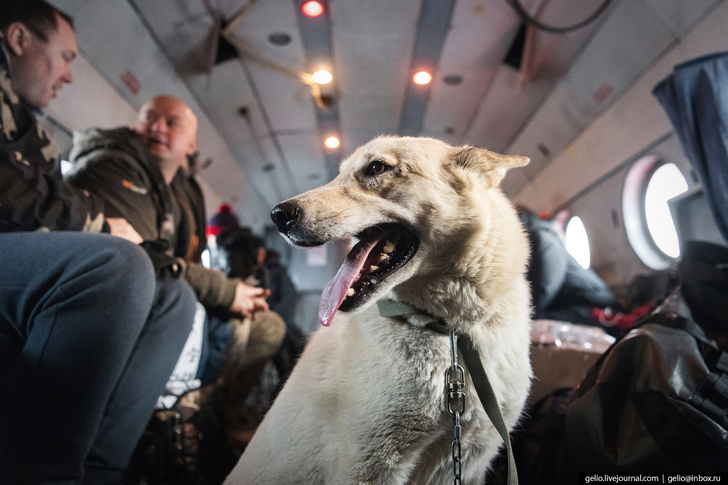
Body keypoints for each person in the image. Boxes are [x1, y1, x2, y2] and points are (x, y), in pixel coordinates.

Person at [0, 2, 198, 483]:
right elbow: (11, 195)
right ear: (19, 40)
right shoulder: (114, 162)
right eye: (65, 56)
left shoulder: (27, 125)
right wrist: (101, 224)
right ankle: (44, 475)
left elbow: (50, 192)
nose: (69, 75)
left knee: (175, 297)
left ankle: (100, 470)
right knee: (118, 266)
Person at [516, 206, 620, 327]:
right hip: (572, 305)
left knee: (528, 324)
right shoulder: (534, 242)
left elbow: (544, 289)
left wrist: (519, 313)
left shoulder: (545, 240)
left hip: (593, 305)